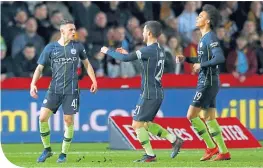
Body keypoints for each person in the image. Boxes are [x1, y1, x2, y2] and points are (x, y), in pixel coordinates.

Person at [100, 21, 183, 162]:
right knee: (144, 124)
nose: (143, 33)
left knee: (137, 124)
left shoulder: (148, 50)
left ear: (149, 33)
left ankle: (151, 154)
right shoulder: (159, 49)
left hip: (150, 93)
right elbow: (145, 64)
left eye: (144, 31)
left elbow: (125, 59)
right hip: (155, 91)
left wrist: (107, 51)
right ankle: (173, 139)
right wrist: (130, 54)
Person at [30, 19, 98, 163]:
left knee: (68, 121)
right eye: (70, 29)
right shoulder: (50, 48)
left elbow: (87, 64)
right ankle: (47, 149)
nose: (74, 32)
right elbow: (39, 68)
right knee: (42, 118)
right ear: (62, 31)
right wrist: (33, 84)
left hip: (71, 90)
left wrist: (94, 80)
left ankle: (63, 154)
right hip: (54, 89)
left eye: (74, 29)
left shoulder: (78, 47)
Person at [176, 4, 231, 161]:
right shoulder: (204, 38)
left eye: (200, 16)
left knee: (191, 116)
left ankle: (211, 147)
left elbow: (219, 58)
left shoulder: (210, 37)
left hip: (207, 81)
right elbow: (203, 59)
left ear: (207, 21)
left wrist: (201, 65)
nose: (197, 18)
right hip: (210, 81)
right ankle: (224, 151)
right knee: (209, 118)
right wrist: (186, 59)